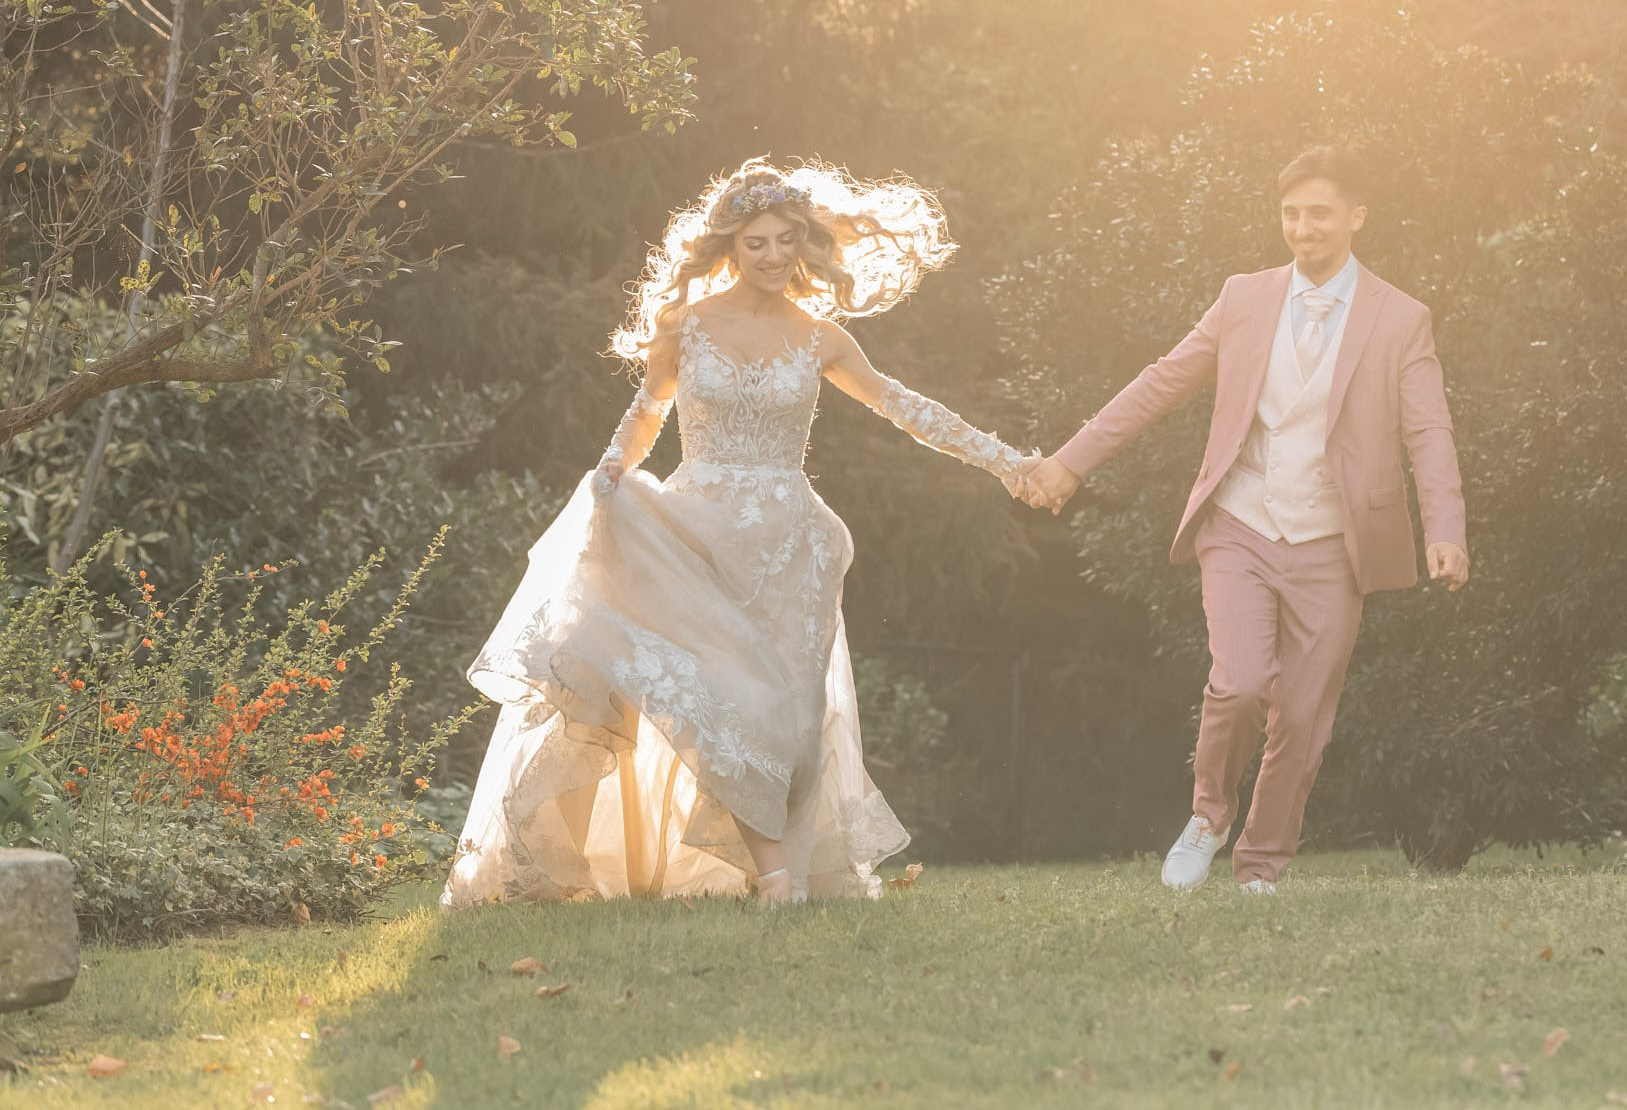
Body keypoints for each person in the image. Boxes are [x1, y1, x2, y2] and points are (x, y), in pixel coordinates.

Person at [443, 159, 1033, 908]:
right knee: (702, 693)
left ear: (806, 244)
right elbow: (647, 413)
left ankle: (776, 871)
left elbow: (903, 406)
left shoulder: (822, 337)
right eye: (758, 242)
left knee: (788, 722)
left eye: (788, 240)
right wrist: (610, 471)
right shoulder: (687, 328)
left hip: (792, 549)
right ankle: (763, 880)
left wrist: (1009, 462)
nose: (775, 255)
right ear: (729, 244)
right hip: (693, 535)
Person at [1022, 146, 1469, 894]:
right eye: (1291, 214)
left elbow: (1429, 431)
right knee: (1238, 683)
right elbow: (1162, 381)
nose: (1303, 228)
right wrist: (1072, 459)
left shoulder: (1401, 319)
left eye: (1319, 213)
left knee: (1302, 714)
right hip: (1239, 522)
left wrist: (1446, 529)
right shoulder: (1244, 297)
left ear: (1356, 216)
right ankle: (1208, 816)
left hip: (1333, 541)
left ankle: (1262, 863)